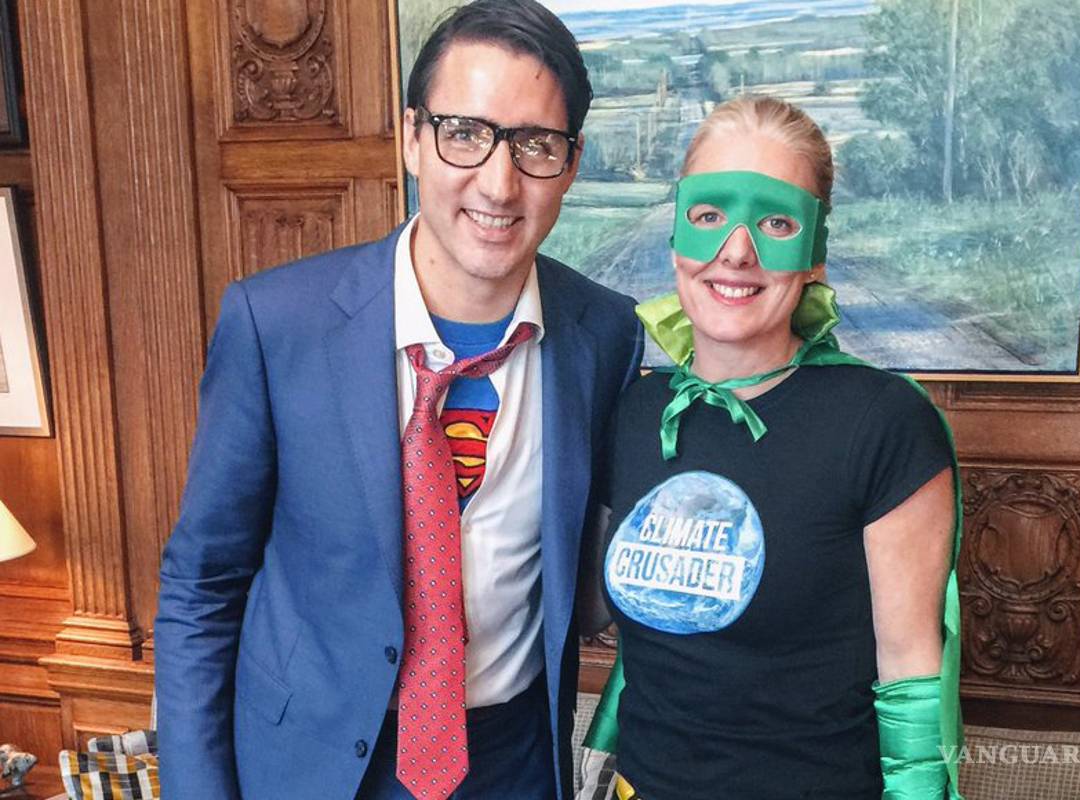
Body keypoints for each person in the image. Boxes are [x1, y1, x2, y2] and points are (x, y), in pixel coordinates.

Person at [155, 2, 643, 799]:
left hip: (513, 765)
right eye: (465, 133)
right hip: (308, 765)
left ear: (572, 161)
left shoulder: (606, 334)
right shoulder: (276, 323)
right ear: (414, 136)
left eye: (535, 144)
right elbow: (202, 584)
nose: (499, 181)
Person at [577, 95, 963, 800]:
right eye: (709, 215)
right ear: (676, 235)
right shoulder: (633, 412)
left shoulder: (881, 422)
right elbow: (580, 611)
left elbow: (912, 673)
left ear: (813, 254)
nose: (736, 251)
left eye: (776, 222)